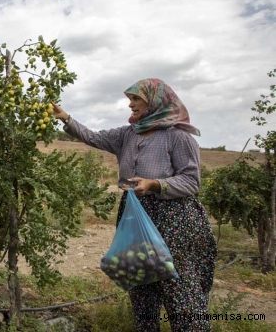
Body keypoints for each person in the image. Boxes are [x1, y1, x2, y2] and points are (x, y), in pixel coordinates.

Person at [53, 78, 217, 331]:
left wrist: (154, 184)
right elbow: (93, 137)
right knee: (140, 279)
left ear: (156, 101)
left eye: (136, 99)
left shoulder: (178, 137)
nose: (130, 105)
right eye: (130, 99)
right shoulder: (127, 134)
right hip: (135, 213)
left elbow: (191, 182)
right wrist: (65, 117)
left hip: (173, 219)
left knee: (178, 286)